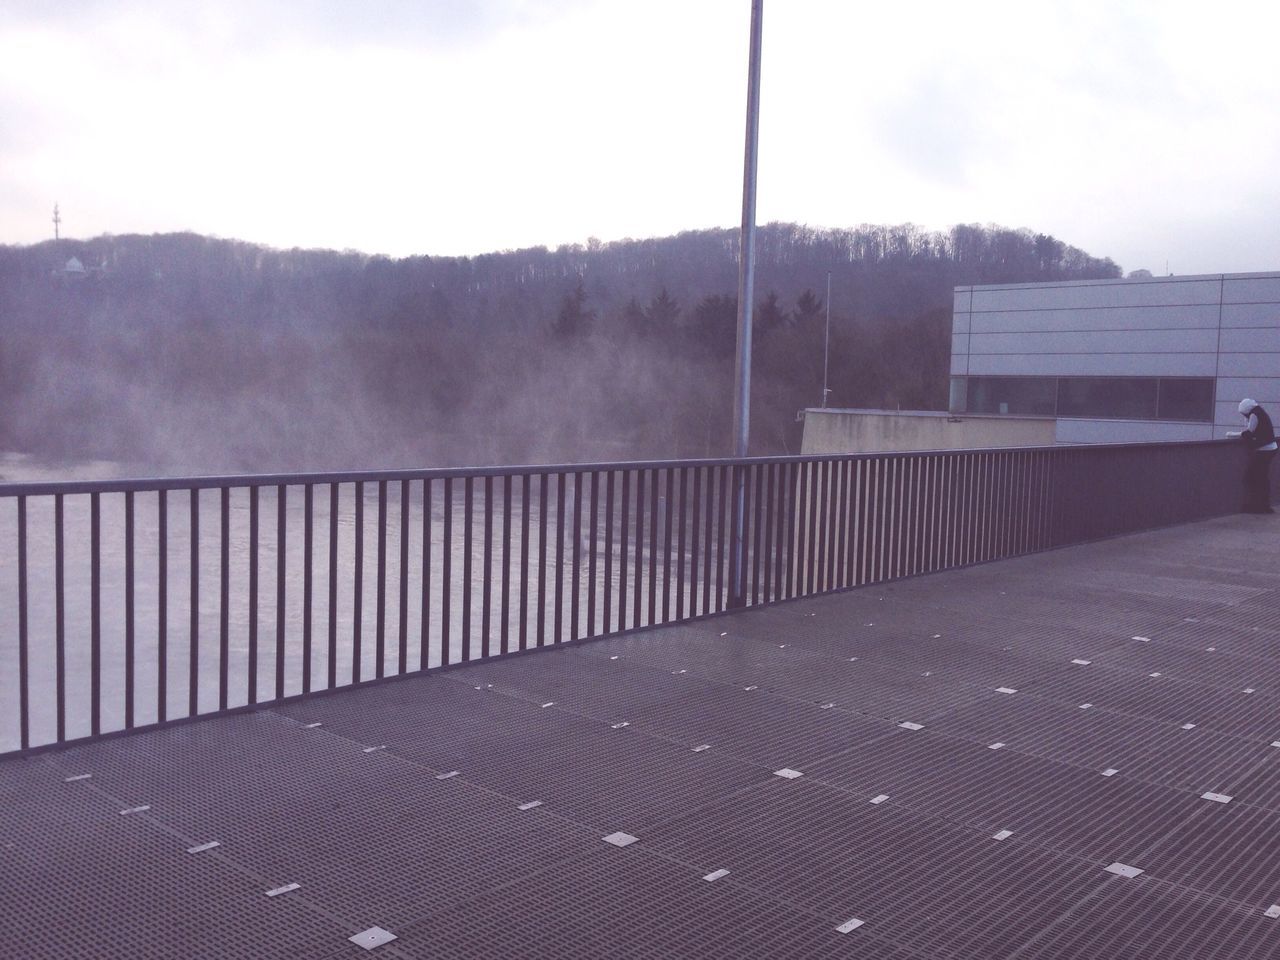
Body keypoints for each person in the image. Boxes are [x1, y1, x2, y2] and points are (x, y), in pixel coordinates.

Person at [1227, 399, 1277, 514]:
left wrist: (1231, 434)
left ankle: (1255, 506)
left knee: (1252, 477)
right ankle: (1263, 506)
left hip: (1263, 450)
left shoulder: (1254, 414)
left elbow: (1249, 433)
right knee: (1261, 478)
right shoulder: (1260, 412)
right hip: (1270, 448)